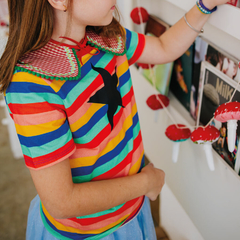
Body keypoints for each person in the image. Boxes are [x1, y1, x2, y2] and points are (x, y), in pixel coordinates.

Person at [0, 0, 230, 239]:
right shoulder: (31, 86)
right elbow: (62, 202)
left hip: (130, 210)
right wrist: (145, 184)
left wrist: (205, 5)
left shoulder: (108, 38)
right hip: (87, 233)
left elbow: (164, 47)